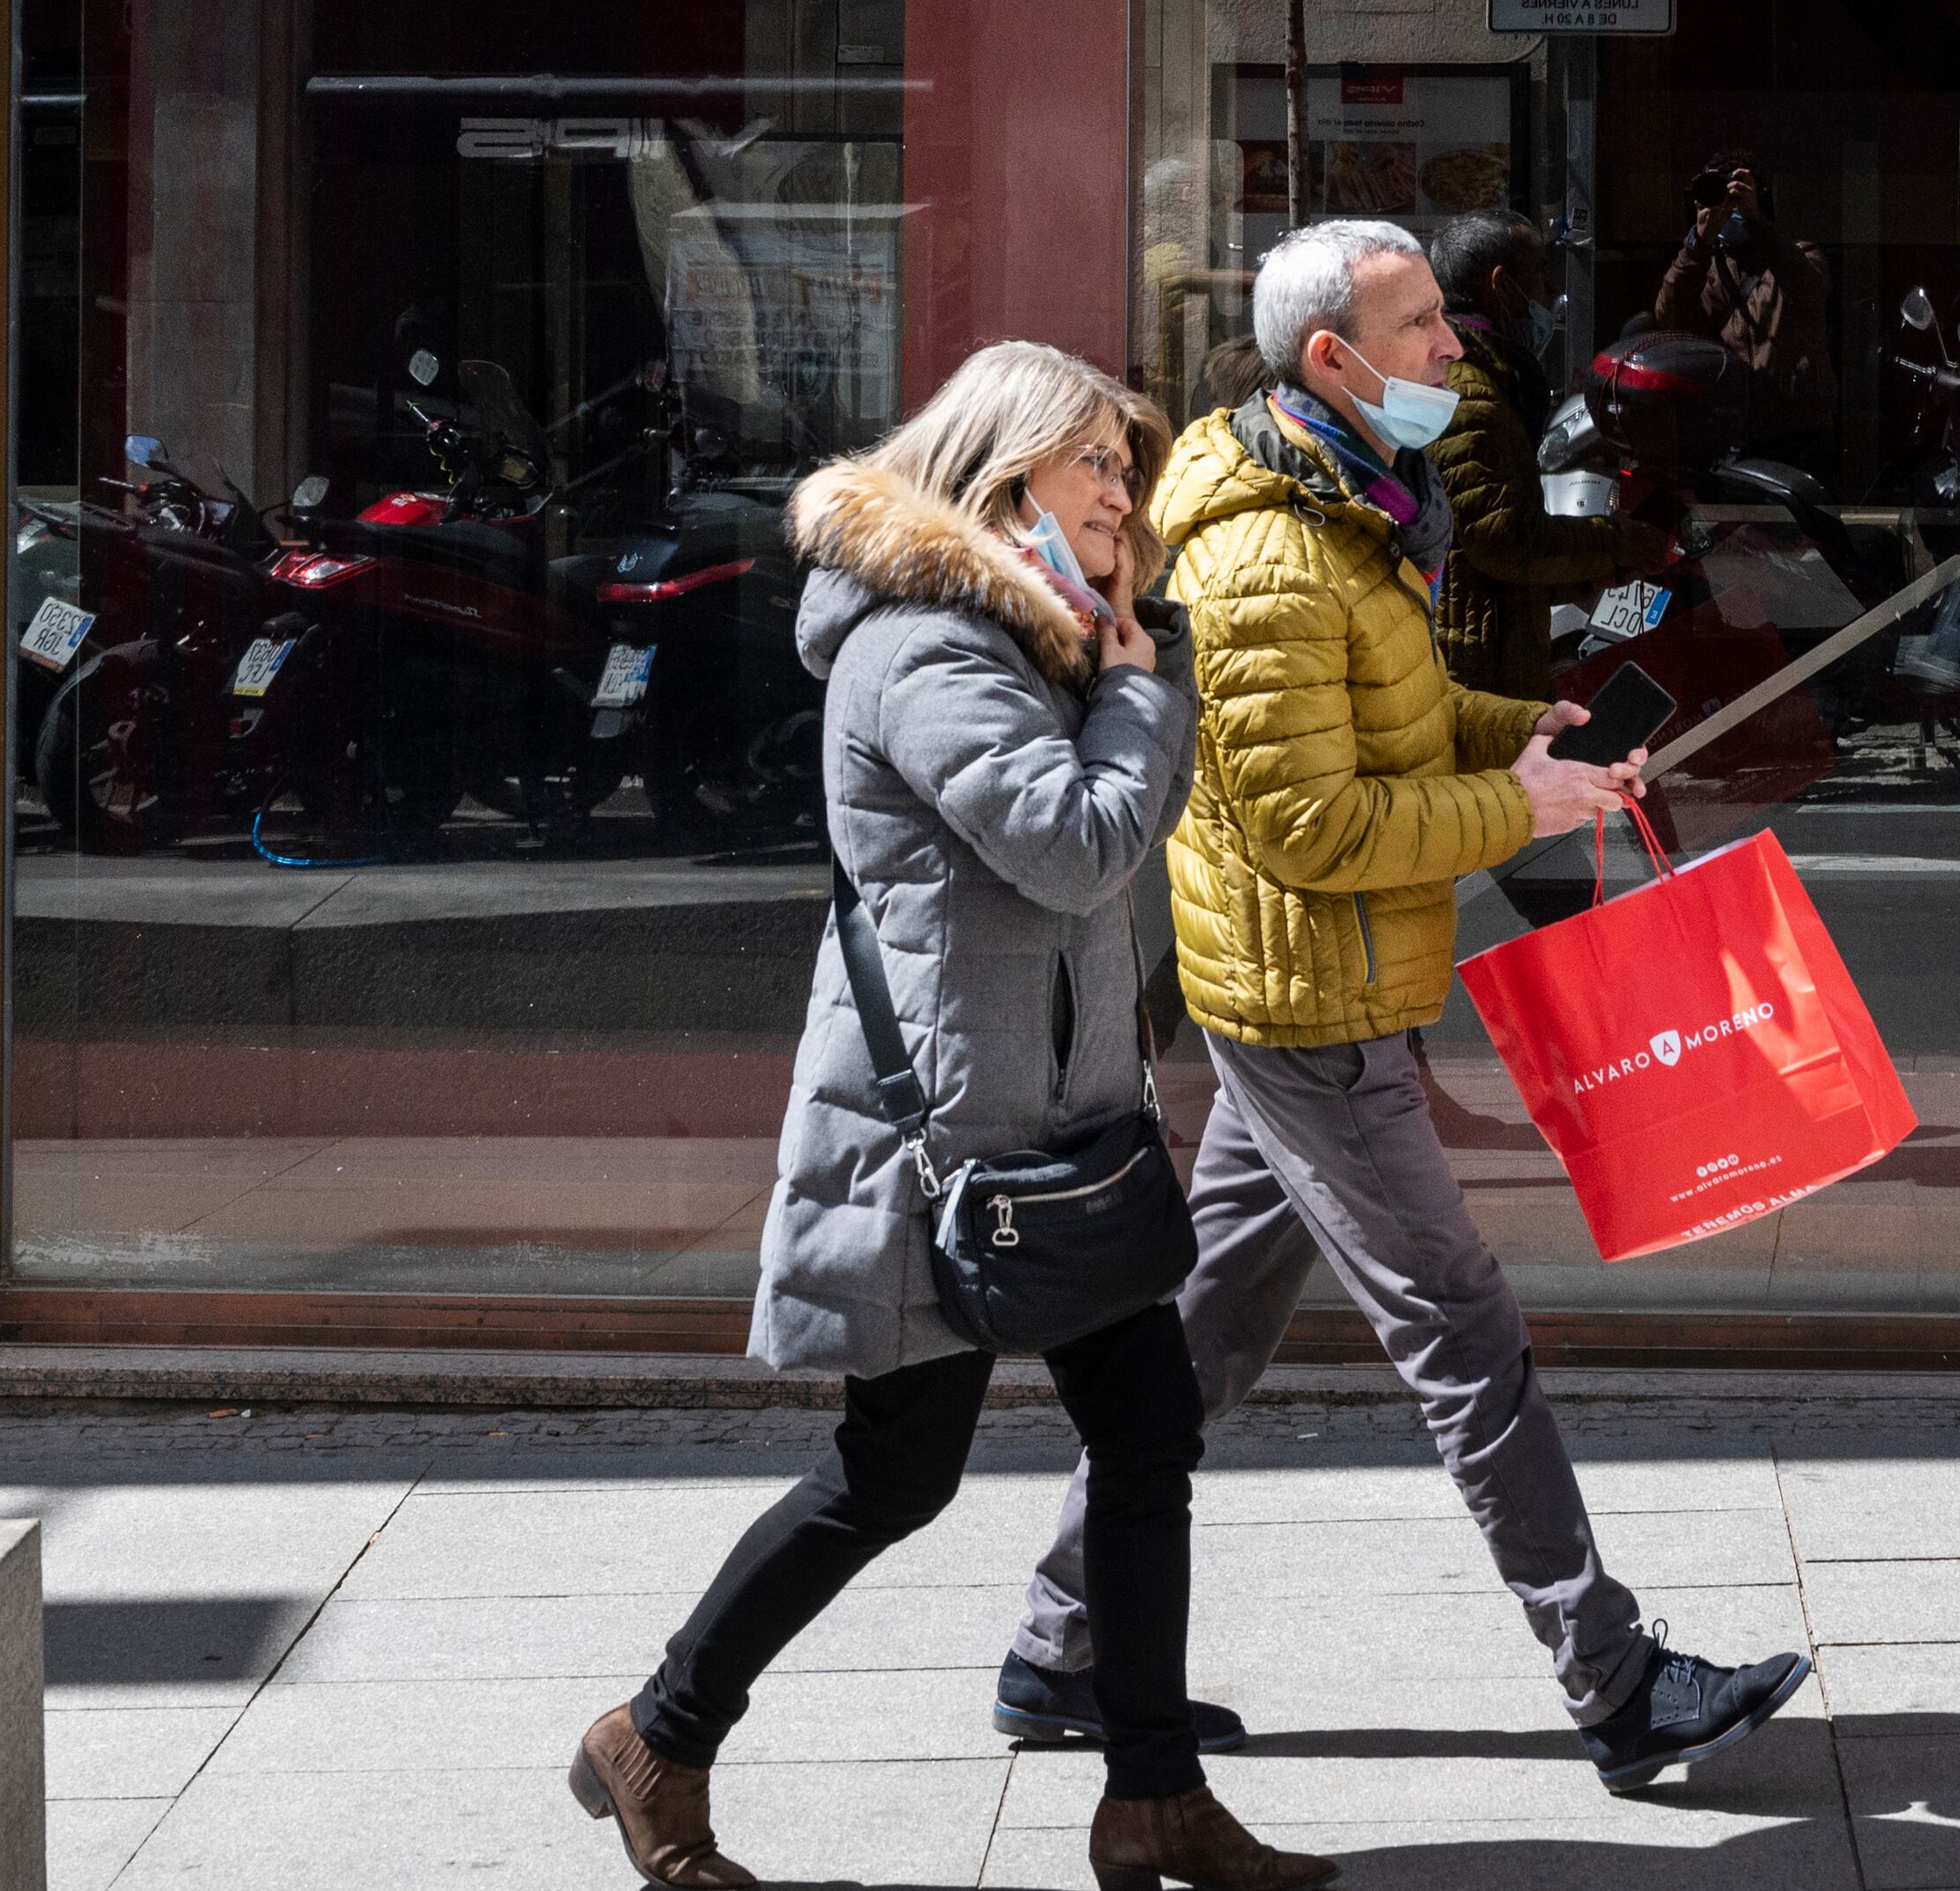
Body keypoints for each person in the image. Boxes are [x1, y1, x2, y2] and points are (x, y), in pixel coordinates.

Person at [999, 219, 1816, 1799]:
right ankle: (1619, 1677)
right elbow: (1314, 828)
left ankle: (1057, 1646)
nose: (1453, 346)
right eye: (1422, 321)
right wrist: (1517, 807)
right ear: (1333, 358)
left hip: (1310, 987)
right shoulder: (1264, 562)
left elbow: (1409, 713)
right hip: (1309, 1001)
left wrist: (1537, 727)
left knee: (1204, 1337)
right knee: (1464, 1332)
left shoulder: (1357, 504)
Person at [573, 342, 1331, 1891]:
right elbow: (1077, 846)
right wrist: (1137, 683)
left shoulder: (1037, 639)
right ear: (1003, 482)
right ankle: (656, 1730)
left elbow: (1115, 825)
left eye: (1128, 465)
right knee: (894, 1471)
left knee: (1146, 1424)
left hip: (1053, 1126)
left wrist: (1131, 667)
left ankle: (1156, 1795)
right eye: (1096, 466)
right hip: (946, 1145)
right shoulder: (929, 653)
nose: (1126, 490)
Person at [1424, 208, 1671, 705]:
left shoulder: (1485, 376)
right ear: (1501, 284)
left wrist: (1609, 564)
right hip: (1474, 666)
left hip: (1491, 642)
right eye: (1538, 274)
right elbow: (1503, 537)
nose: (1546, 293)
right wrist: (1615, 543)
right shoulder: (1468, 391)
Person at [1650, 152, 1834, 439]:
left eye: (1734, 194)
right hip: (1731, 424)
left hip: (1797, 425)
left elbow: (1808, 290)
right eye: (1717, 194)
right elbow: (1670, 318)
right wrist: (1697, 245)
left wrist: (1755, 221)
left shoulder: (1801, 255)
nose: (1726, 205)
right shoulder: (1705, 269)